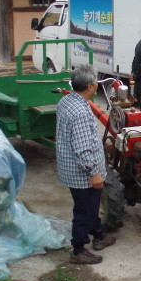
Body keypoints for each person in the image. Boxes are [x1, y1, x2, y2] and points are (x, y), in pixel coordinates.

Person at [56, 64, 116, 264]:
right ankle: (78, 248)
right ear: (90, 86)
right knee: (85, 210)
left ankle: (98, 236)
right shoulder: (81, 112)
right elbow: (82, 148)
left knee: (90, 205)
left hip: (71, 167)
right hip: (82, 172)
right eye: (96, 82)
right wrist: (93, 172)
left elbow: (78, 138)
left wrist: (101, 147)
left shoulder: (67, 101)